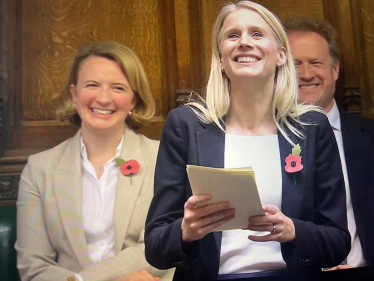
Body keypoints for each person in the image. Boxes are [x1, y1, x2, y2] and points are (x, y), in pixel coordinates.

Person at [144, 1, 350, 280]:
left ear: (280, 55)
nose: (243, 42)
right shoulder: (185, 126)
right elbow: (155, 247)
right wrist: (185, 231)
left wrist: (293, 231)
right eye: (232, 35)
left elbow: (338, 242)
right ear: (220, 58)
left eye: (256, 34)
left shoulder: (312, 128)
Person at [15, 42, 174, 281]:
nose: (103, 98)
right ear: (74, 93)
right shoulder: (39, 169)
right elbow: (34, 266)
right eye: (92, 85)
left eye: (118, 88)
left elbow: (158, 247)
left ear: (133, 100)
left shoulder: (162, 158)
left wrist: (81, 279)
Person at [284, 16, 374, 269]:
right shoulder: (262, 140)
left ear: (334, 70)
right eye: (295, 64)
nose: (305, 74)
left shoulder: (370, 139)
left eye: (316, 63)